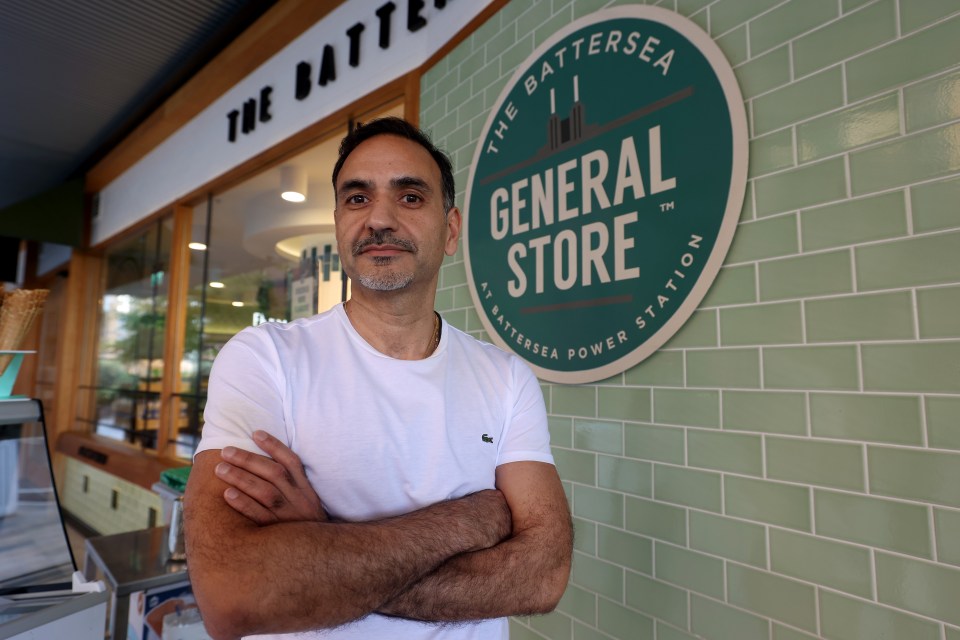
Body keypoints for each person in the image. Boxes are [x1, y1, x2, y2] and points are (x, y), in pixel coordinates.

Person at [183, 117, 573, 640]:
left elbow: (542, 576)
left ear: (451, 229)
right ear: (339, 221)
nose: (379, 220)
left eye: (410, 197)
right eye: (357, 198)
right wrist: (474, 521)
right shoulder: (264, 358)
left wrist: (320, 542)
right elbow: (234, 593)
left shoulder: (505, 377)